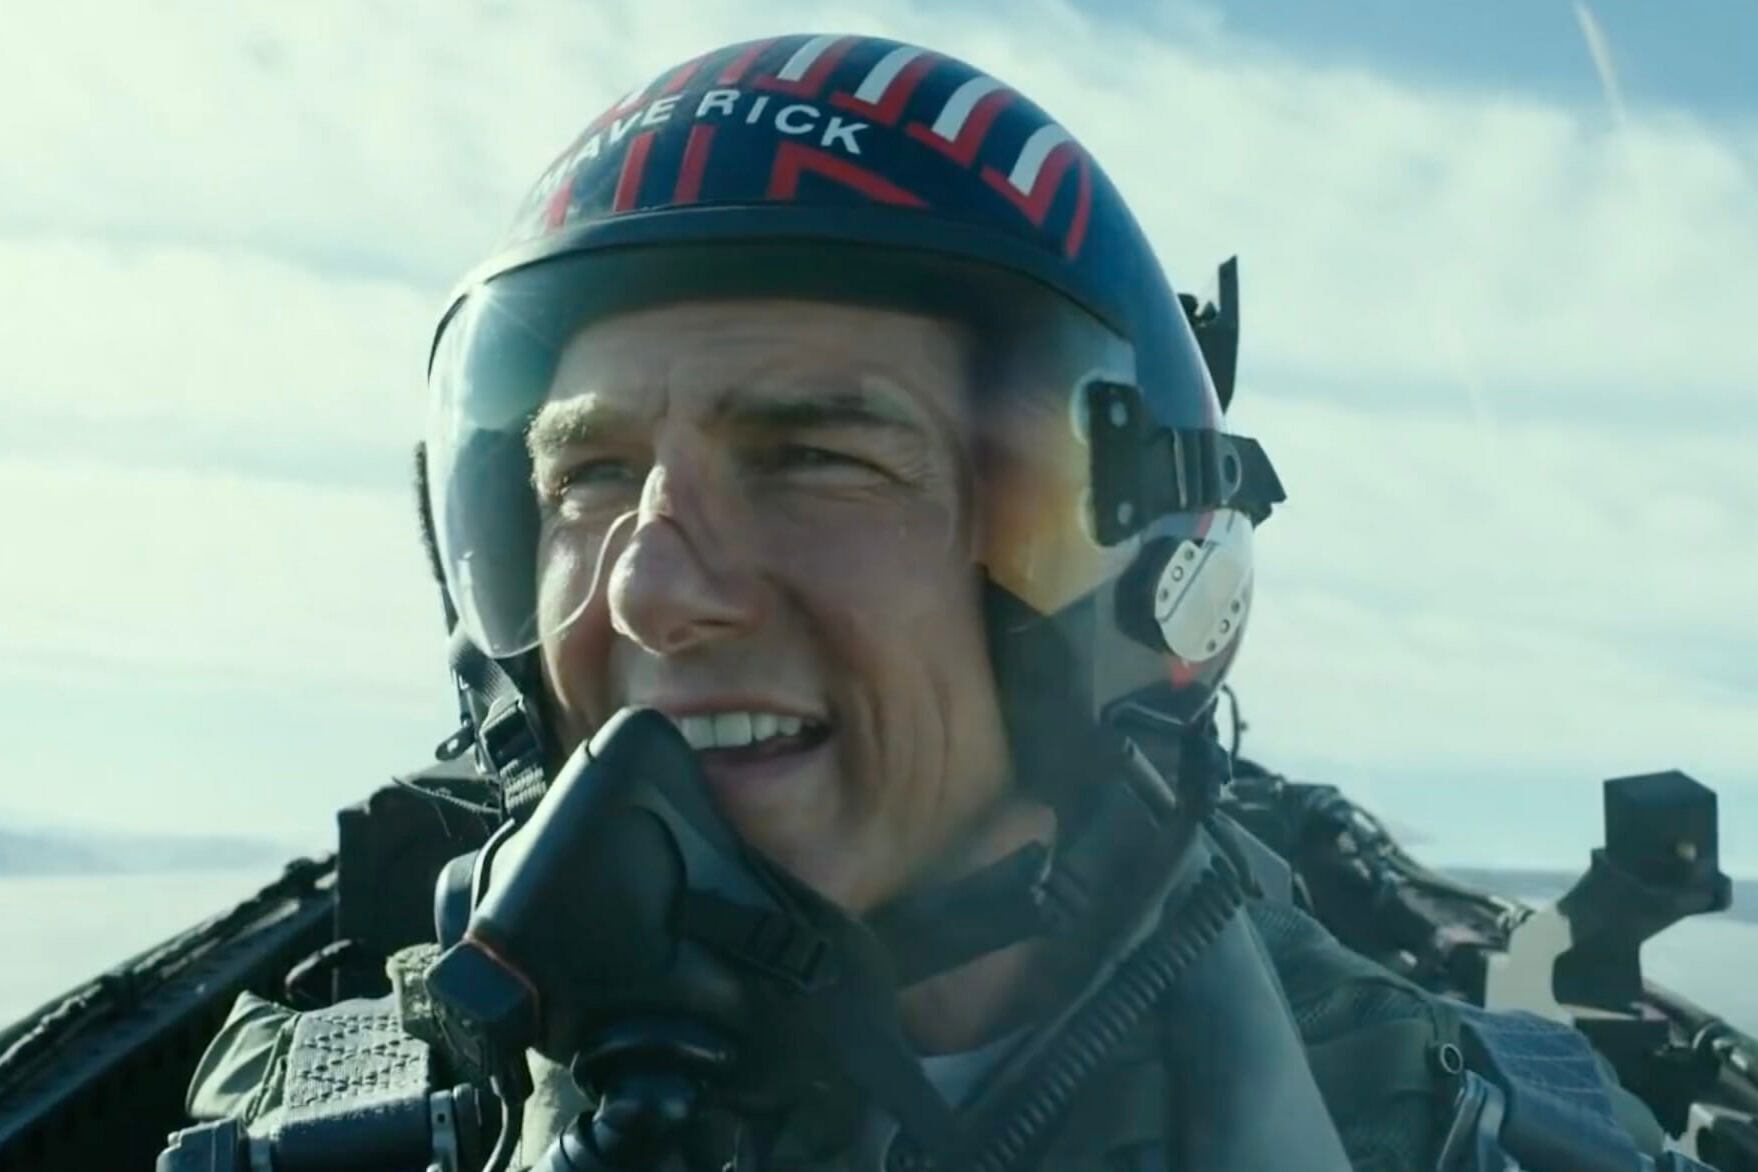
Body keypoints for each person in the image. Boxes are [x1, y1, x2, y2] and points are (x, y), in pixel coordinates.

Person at [169, 34, 1684, 1172]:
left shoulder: (1432, 1131)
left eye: (816, 458)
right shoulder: (318, 1119)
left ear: (1113, 582)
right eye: (588, 477)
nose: (647, 585)